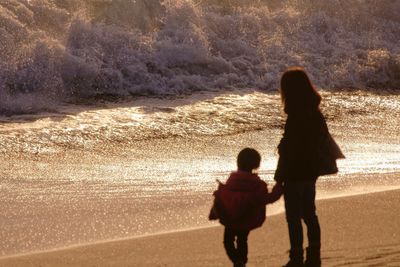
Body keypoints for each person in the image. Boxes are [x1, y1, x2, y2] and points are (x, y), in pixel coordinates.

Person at [274, 67, 344, 267]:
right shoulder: (315, 113)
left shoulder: (295, 116)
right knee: (309, 212)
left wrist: (279, 177)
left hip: (295, 171)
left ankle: (296, 256)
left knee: (293, 216)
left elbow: (289, 150)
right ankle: (314, 252)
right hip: (311, 170)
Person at [209, 148, 282, 267]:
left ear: (238, 162)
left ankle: (238, 262)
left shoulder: (233, 180)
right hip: (246, 218)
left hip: (230, 218)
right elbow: (267, 198)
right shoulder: (256, 184)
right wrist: (279, 186)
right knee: (242, 240)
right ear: (256, 165)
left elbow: (224, 196)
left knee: (228, 241)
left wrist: (214, 212)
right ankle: (241, 261)